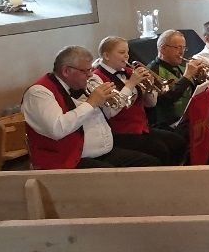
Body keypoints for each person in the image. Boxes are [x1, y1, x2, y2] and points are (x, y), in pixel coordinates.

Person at [22, 46, 161, 169]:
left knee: (151, 164)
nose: (90, 75)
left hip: (104, 153)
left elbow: (109, 112)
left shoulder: (83, 85)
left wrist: (106, 100)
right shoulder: (39, 93)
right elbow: (57, 129)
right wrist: (91, 103)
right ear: (66, 71)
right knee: (117, 181)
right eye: (86, 71)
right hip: (67, 162)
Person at [91, 36, 188, 165]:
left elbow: (151, 104)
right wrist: (131, 84)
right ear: (106, 55)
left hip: (141, 127)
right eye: (121, 53)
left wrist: (150, 88)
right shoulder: (96, 78)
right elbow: (110, 111)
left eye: (127, 52)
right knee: (160, 150)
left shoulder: (129, 71)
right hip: (120, 132)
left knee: (178, 142)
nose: (126, 56)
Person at [149, 29, 209, 129]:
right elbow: (165, 100)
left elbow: (192, 93)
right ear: (163, 49)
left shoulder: (181, 67)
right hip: (168, 124)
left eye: (183, 48)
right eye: (178, 47)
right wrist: (186, 77)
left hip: (188, 119)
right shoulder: (152, 71)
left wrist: (199, 81)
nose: (182, 52)